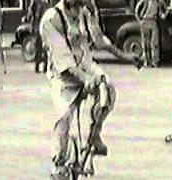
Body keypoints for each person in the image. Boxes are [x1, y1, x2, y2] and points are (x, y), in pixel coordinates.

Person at [39, 0, 118, 178]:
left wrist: (124, 55)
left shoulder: (85, 12)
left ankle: (95, 135)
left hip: (86, 66)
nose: (80, 8)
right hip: (63, 75)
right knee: (64, 115)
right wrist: (84, 79)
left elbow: (99, 40)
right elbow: (63, 59)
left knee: (109, 90)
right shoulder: (51, 20)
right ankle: (59, 163)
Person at [135, 0, 167, 68]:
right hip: (145, 21)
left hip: (154, 21)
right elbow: (137, 10)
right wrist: (139, 20)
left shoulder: (159, 2)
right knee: (146, 43)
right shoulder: (144, 1)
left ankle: (155, 62)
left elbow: (166, 9)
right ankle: (147, 61)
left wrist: (164, 15)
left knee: (155, 43)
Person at [24, 0, 52, 73]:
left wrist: (28, 18)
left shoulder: (37, 2)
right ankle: (42, 66)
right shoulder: (40, 2)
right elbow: (31, 12)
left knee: (41, 46)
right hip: (43, 26)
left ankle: (41, 66)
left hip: (43, 26)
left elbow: (30, 12)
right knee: (42, 46)